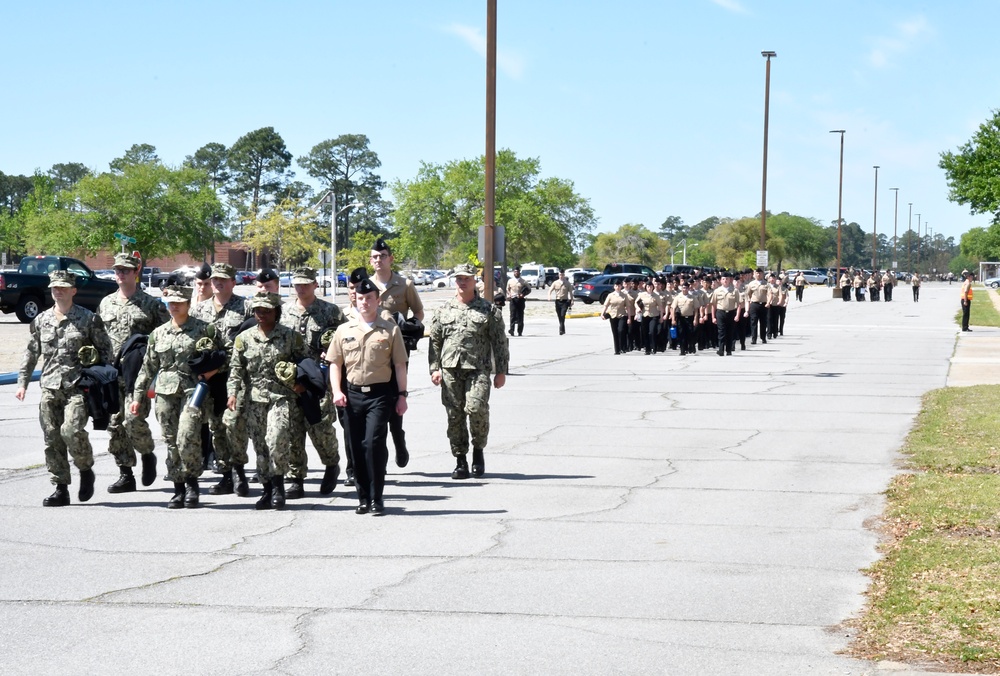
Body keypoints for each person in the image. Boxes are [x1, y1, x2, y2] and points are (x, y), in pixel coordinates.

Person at [15, 270, 114, 506]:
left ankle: (85, 469)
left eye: (62, 287)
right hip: (50, 387)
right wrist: (22, 383)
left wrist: (96, 374)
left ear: (73, 291)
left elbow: (106, 352)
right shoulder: (41, 320)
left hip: (77, 388)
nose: (57, 291)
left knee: (71, 431)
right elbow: (31, 353)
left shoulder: (88, 319)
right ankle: (60, 488)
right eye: (54, 288)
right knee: (52, 439)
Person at [130, 286, 222, 508]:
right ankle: (178, 488)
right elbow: (148, 368)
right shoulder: (158, 333)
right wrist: (137, 396)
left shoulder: (204, 329)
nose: (175, 306)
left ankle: (192, 483)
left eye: (179, 302)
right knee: (171, 441)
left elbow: (222, 356)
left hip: (193, 390)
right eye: (171, 302)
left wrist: (211, 371)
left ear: (188, 304)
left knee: (187, 435)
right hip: (165, 393)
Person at [327, 278, 408, 515]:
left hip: (380, 395)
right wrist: (337, 391)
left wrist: (402, 395)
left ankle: (377, 497)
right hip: (352, 396)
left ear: (377, 300)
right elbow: (335, 364)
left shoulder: (390, 329)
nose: (364, 302)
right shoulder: (344, 330)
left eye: (369, 298)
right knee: (356, 447)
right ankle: (363, 497)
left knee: (373, 443)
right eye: (360, 298)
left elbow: (400, 365)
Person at [428, 263, 509, 480]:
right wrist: (434, 368)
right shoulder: (443, 309)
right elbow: (435, 341)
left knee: (476, 409)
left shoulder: (488, 310)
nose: (463, 282)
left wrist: (501, 370)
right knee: (454, 415)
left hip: (478, 369)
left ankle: (478, 451)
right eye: (459, 279)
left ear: (475, 281)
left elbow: (500, 342)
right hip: (450, 370)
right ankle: (460, 459)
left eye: (467, 278)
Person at [227, 292, 307, 510]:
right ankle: (267, 490)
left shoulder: (290, 337)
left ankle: (279, 485)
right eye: (257, 311)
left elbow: (306, 363)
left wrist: (301, 383)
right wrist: (232, 393)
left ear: (276, 312)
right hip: (255, 399)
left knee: (277, 439)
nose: (261, 314)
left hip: (281, 398)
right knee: (261, 446)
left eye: (266, 311)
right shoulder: (243, 338)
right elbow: (236, 370)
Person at [98, 252, 169, 493]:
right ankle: (125, 473)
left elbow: (165, 336)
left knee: (133, 419)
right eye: (117, 270)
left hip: (138, 374)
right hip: (110, 373)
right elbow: (99, 337)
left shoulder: (151, 304)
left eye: (126, 270)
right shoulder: (106, 303)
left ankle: (147, 453)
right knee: (114, 425)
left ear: (136, 272)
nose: (120, 274)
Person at [280, 266, 347, 497]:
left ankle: (331, 464)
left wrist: (331, 353)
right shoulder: (284, 310)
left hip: (318, 379)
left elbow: (344, 341)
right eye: (297, 284)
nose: (301, 288)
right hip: (291, 378)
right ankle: (296, 477)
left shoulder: (330, 312)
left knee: (320, 427)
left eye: (306, 284)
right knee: (292, 430)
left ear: (315, 285)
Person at [192, 263, 251, 497]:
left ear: (233, 282)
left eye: (223, 279)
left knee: (234, 424)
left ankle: (239, 470)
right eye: (214, 279)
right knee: (216, 427)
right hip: (209, 379)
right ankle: (226, 474)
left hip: (235, 377)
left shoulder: (245, 307)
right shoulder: (199, 311)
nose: (217, 283)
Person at [368, 238, 423, 468]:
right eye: (374, 257)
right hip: (370, 353)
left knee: (395, 397)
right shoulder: (365, 286)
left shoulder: (404, 284)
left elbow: (418, 312)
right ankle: (379, 450)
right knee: (375, 401)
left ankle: (398, 439)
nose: (378, 260)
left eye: (382, 256)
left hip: (396, 353)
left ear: (390, 258)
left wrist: (410, 329)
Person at [709, 270, 741, 356]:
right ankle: (721, 349)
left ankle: (729, 350)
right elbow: (713, 305)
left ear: (730, 280)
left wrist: (737, 315)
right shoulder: (717, 291)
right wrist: (713, 317)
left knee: (730, 332)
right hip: (720, 313)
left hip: (731, 313)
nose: (725, 280)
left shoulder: (735, 291)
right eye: (723, 279)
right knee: (721, 332)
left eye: (727, 279)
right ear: (721, 280)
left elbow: (738, 304)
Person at [601, 278, 633, 355]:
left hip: (622, 315)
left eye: (619, 285)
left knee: (621, 330)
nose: (618, 287)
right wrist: (602, 313)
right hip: (613, 316)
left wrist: (629, 318)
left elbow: (628, 307)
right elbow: (606, 305)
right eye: (616, 286)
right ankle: (617, 350)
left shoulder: (624, 295)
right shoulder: (610, 295)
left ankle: (622, 347)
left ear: (621, 286)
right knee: (615, 333)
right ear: (614, 287)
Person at [670, 279, 701, 355]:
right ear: (681, 288)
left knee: (690, 334)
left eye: (686, 288)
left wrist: (695, 319)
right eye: (683, 288)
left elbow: (696, 309)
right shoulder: (678, 297)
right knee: (681, 334)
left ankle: (691, 347)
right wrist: (673, 319)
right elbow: (673, 308)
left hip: (690, 318)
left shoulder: (692, 297)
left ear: (688, 288)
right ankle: (682, 350)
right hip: (681, 318)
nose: (685, 289)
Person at [635, 279, 661, 355]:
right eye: (648, 286)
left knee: (652, 331)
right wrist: (638, 308)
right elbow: (636, 303)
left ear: (653, 287)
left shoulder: (656, 296)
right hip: (644, 315)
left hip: (654, 315)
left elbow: (660, 306)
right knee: (645, 332)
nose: (649, 288)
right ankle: (647, 349)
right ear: (646, 287)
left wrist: (662, 316)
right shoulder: (642, 295)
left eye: (651, 286)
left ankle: (654, 347)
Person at [547, 269, 573, 335]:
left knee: (562, 315)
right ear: (558, 275)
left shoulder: (567, 283)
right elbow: (550, 290)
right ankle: (563, 328)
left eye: (562, 275)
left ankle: (561, 330)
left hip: (565, 301)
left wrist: (572, 300)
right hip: (558, 301)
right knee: (559, 316)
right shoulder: (555, 283)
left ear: (564, 275)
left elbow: (570, 292)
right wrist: (549, 296)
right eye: (560, 275)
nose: (561, 276)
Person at [506, 265, 530, 337]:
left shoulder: (523, 281)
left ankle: (520, 331)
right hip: (513, 299)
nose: (516, 273)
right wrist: (509, 294)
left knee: (520, 316)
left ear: (519, 272)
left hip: (520, 300)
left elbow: (529, 289)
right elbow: (507, 289)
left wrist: (523, 294)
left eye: (517, 271)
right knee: (512, 315)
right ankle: (512, 330)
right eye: (515, 271)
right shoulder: (510, 281)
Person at [747, 269, 769, 344]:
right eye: (757, 273)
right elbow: (748, 293)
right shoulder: (751, 284)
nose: (758, 274)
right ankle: (754, 339)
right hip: (754, 304)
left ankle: (763, 337)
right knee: (754, 321)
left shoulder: (766, 284)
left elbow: (769, 294)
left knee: (763, 322)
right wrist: (751, 300)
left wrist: (768, 302)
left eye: (760, 273)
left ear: (762, 274)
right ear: (754, 274)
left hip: (763, 304)